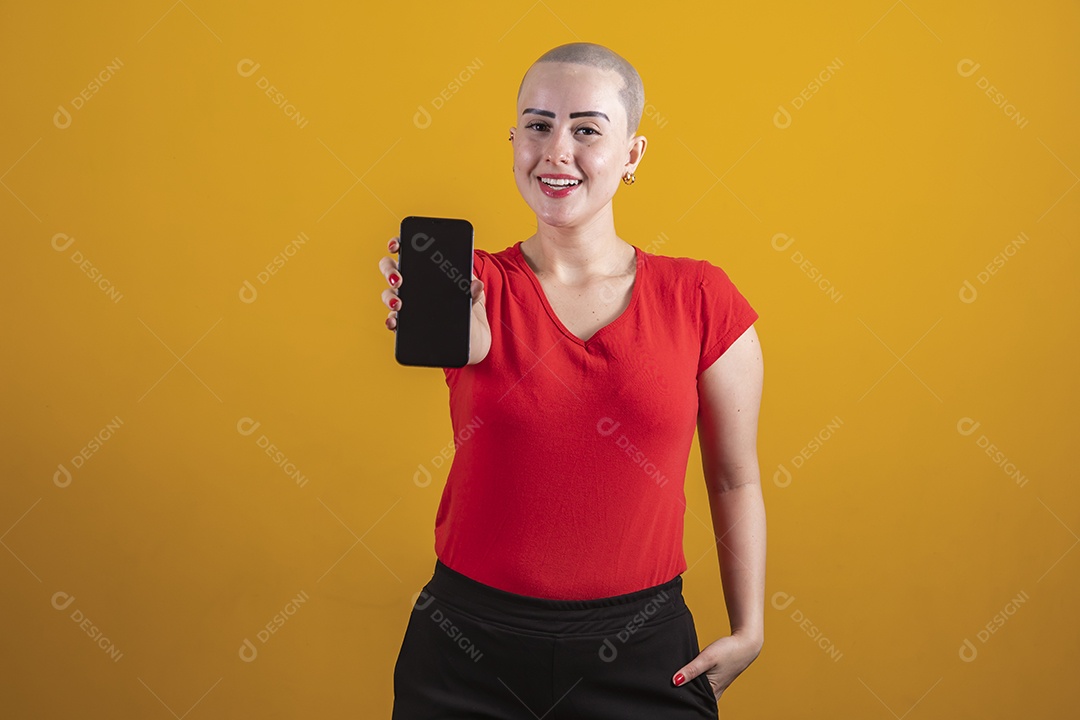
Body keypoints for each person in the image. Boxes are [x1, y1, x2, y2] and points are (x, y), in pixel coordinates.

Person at [378, 41, 765, 720]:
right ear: (514, 142)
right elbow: (473, 344)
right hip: (466, 653)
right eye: (538, 125)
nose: (556, 150)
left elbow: (734, 478)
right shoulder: (475, 286)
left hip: (641, 651)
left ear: (632, 154)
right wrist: (443, 308)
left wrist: (750, 627)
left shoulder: (701, 296)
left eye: (586, 129)